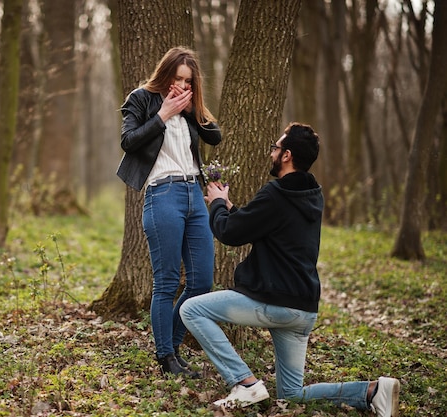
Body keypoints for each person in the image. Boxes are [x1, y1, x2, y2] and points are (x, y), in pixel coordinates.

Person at [179, 122, 400, 416]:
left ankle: (244, 383)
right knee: (292, 395)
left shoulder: (276, 194)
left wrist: (218, 205)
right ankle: (372, 391)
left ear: (287, 155)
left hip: (275, 303)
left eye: (276, 147)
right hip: (302, 309)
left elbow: (231, 234)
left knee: (191, 310)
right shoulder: (312, 195)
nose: (272, 153)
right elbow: (266, 225)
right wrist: (231, 208)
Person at [116, 46, 222, 377]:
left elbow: (215, 137)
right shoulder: (142, 98)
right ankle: (166, 357)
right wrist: (162, 114)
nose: (181, 86)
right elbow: (128, 141)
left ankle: (173, 346)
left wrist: (189, 110)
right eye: (177, 79)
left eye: (188, 82)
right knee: (166, 282)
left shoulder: (190, 106)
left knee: (202, 280)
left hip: (194, 194)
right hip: (163, 194)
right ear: (165, 76)